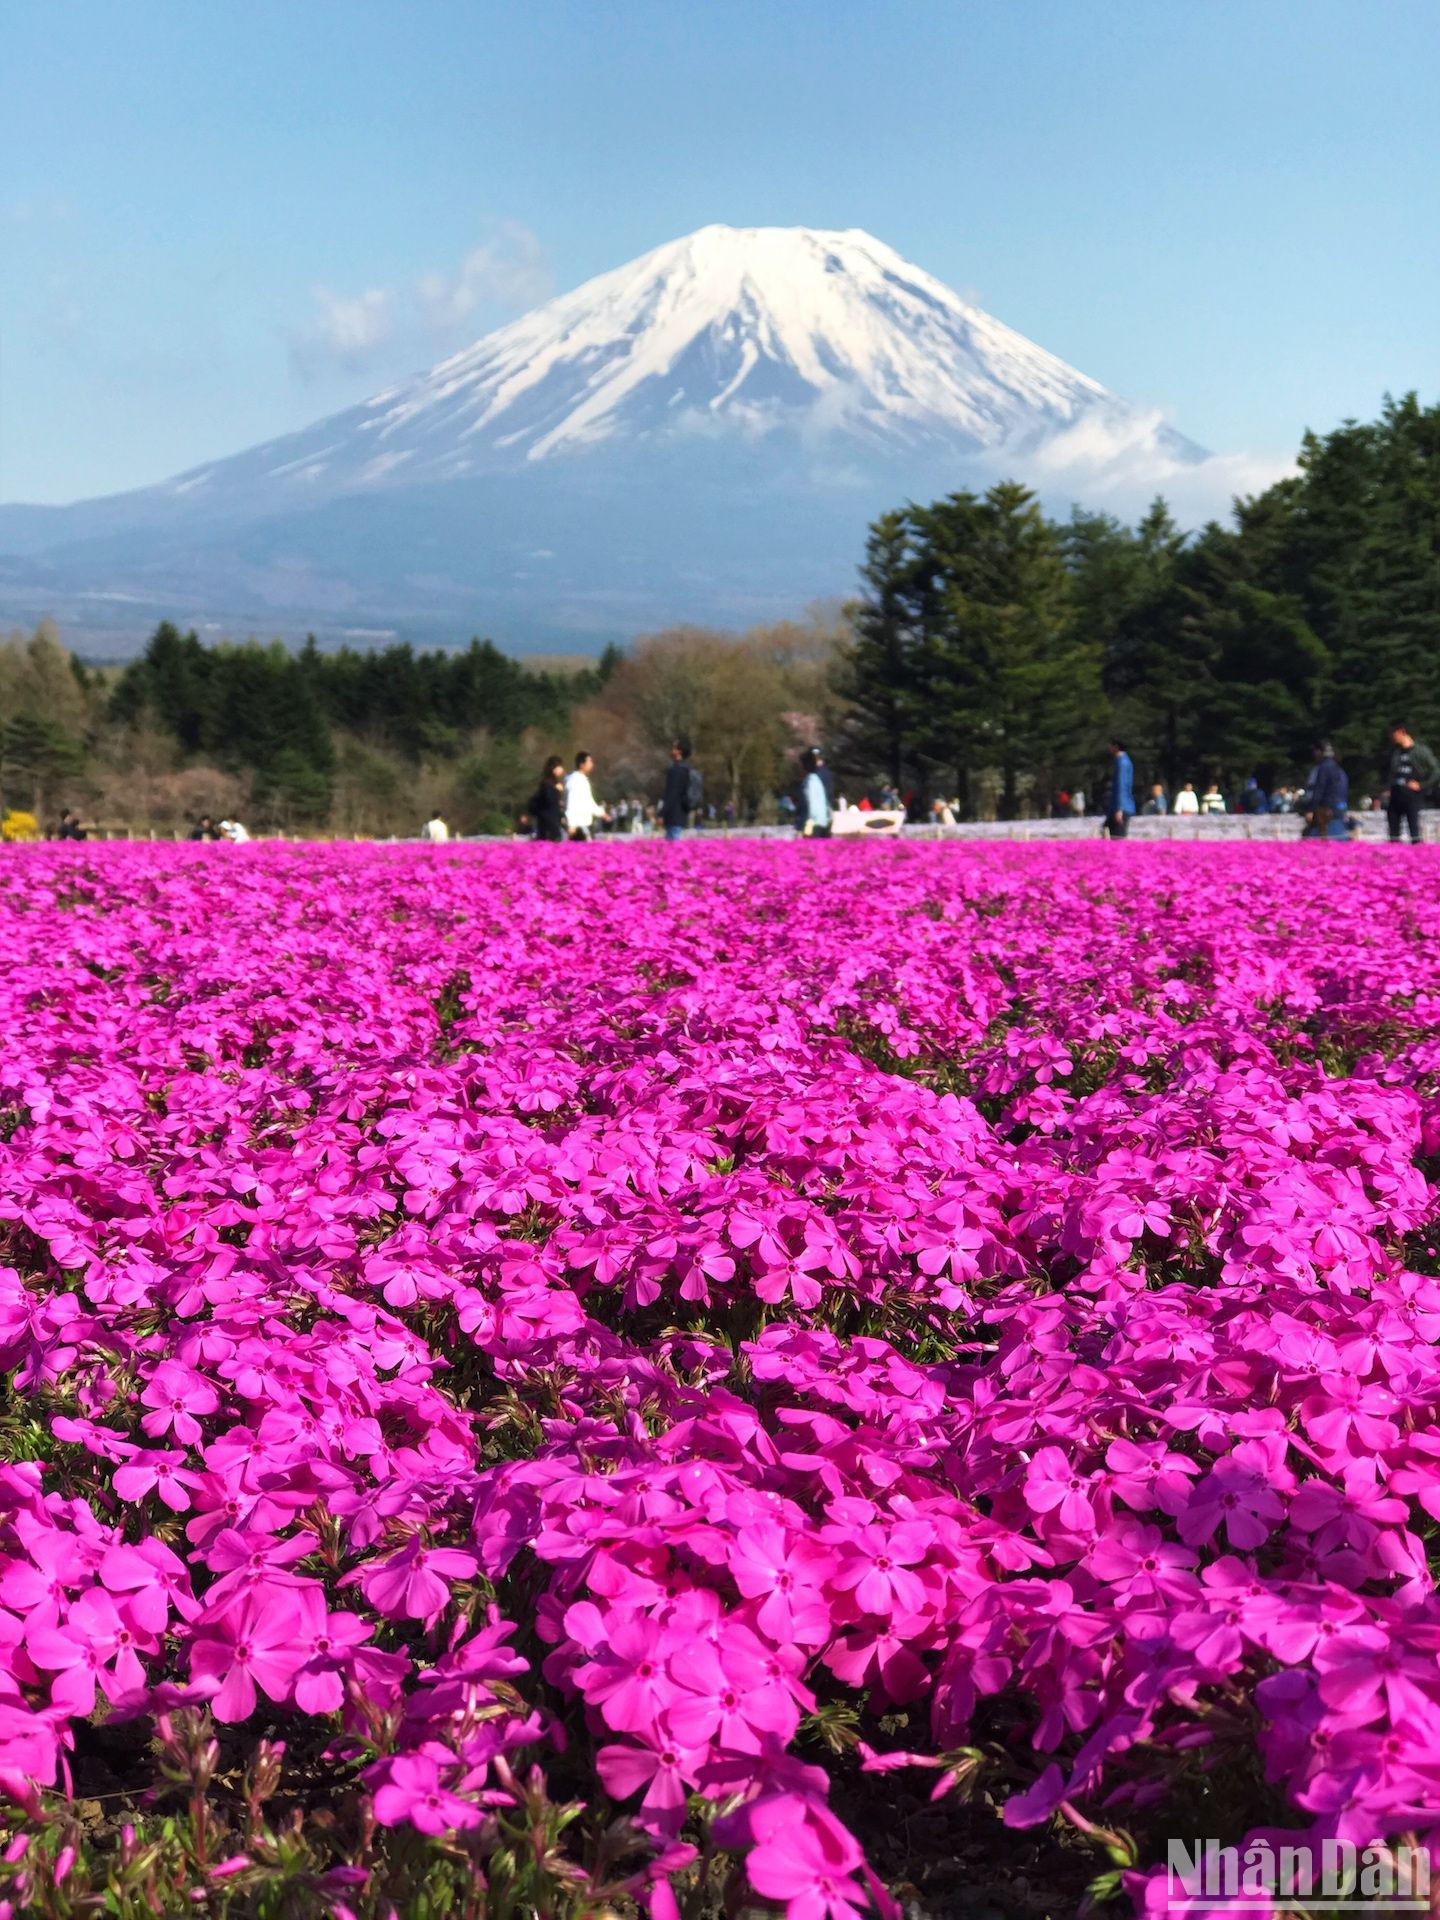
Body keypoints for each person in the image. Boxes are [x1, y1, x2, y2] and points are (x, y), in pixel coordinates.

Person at [1384, 721, 1438, 844]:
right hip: (1396, 794)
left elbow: (1435, 771)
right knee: (1393, 832)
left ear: (1402, 732)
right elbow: (1390, 772)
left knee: (1414, 830)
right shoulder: (1395, 752)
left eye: (1394, 733)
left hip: (1412, 796)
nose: (1392, 737)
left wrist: (1422, 785)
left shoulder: (1420, 751)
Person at [1305, 742, 1348, 840]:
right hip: (1340, 805)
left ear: (1319, 752)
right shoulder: (1338, 768)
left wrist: (1311, 809)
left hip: (1326, 807)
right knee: (1338, 836)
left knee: (1322, 836)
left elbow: (1319, 788)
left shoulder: (1323, 767)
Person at [661, 737, 700, 842]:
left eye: (674, 747)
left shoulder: (675, 771)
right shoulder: (686, 770)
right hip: (682, 814)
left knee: (673, 848)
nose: (672, 750)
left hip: (673, 814)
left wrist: (662, 813)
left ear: (679, 751)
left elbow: (671, 794)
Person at [797, 747, 833, 838]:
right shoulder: (821, 776)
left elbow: (812, 805)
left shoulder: (811, 780)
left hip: (814, 824)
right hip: (824, 821)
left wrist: (804, 825)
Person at [564, 751, 600, 841]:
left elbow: (589, 802)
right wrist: (571, 824)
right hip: (578, 826)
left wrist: (601, 813)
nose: (592, 764)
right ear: (581, 764)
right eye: (589, 761)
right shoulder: (575, 780)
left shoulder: (583, 780)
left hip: (585, 823)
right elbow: (571, 802)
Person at [1104, 739, 1134, 839]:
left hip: (1121, 807)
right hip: (1121, 806)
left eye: (1110, 746)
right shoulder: (1124, 761)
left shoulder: (1122, 763)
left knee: (1116, 837)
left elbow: (1121, 785)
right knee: (1107, 832)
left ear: (1116, 747)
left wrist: (1119, 809)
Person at [530, 757, 566, 842]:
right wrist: (557, 791)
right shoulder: (548, 784)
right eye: (560, 767)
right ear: (554, 769)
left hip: (550, 821)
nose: (562, 769)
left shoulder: (551, 783)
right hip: (549, 823)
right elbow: (550, 801)